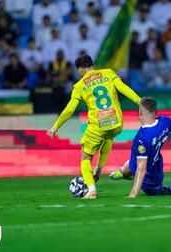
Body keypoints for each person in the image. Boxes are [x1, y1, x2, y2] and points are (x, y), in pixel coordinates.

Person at [48, 54, 141, 199]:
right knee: (108, 136)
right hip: (117, 123)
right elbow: (124, 88)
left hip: (98, 125)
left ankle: (91, 190)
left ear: (80, 70)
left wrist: (55, 127)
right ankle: (99, 168)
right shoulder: (108, 73)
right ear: (93, 65)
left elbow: (69, 109)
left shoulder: (79, 86)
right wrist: (140, 101)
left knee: (85, 157)